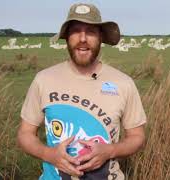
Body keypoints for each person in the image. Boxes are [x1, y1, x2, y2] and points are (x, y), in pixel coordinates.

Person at [17, 3, 146, 180]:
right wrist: (50, 155)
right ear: (67, 36)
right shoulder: (44, 79)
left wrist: (110, 150)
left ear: (100, 37)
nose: (83, 38)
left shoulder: (123, 83)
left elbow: (137, 137)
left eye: (91, 31)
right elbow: (25, 134)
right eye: (76, 30)